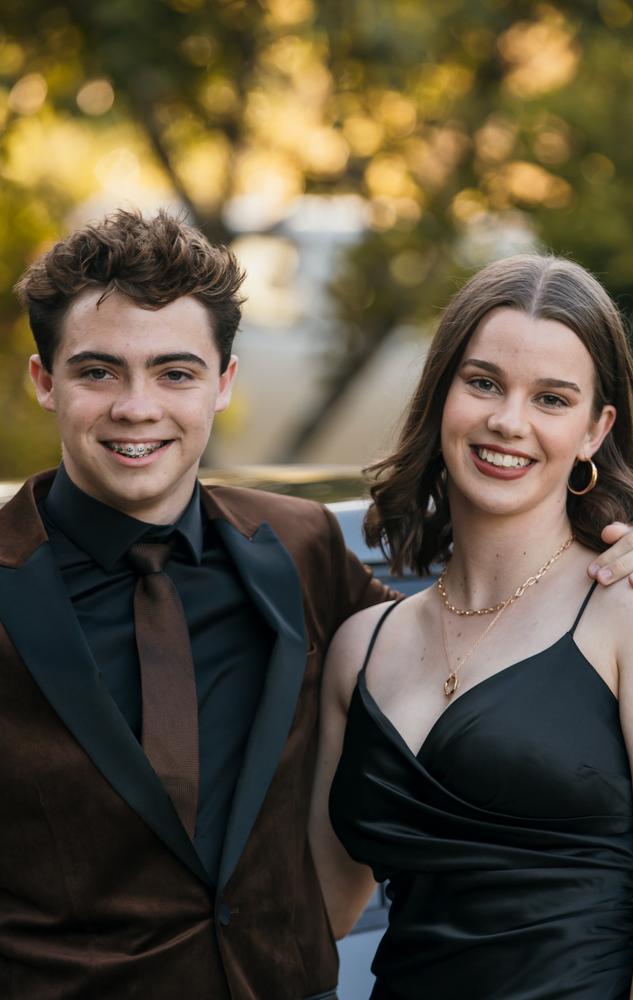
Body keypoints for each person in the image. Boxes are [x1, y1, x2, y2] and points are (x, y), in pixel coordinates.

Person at [0, 207, 398, 1000]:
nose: (137, 407)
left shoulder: (303, 543)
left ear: (223, 384)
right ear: (46, 382)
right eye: (98, 371)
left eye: (175, 373)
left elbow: (465, 646)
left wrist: (611, 555)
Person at [309, 253, 633, 999]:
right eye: (484, 383)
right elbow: (320, 915)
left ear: (596, 430)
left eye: (552, 399)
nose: (508, 421)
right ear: (441, 397)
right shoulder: (360, 651)